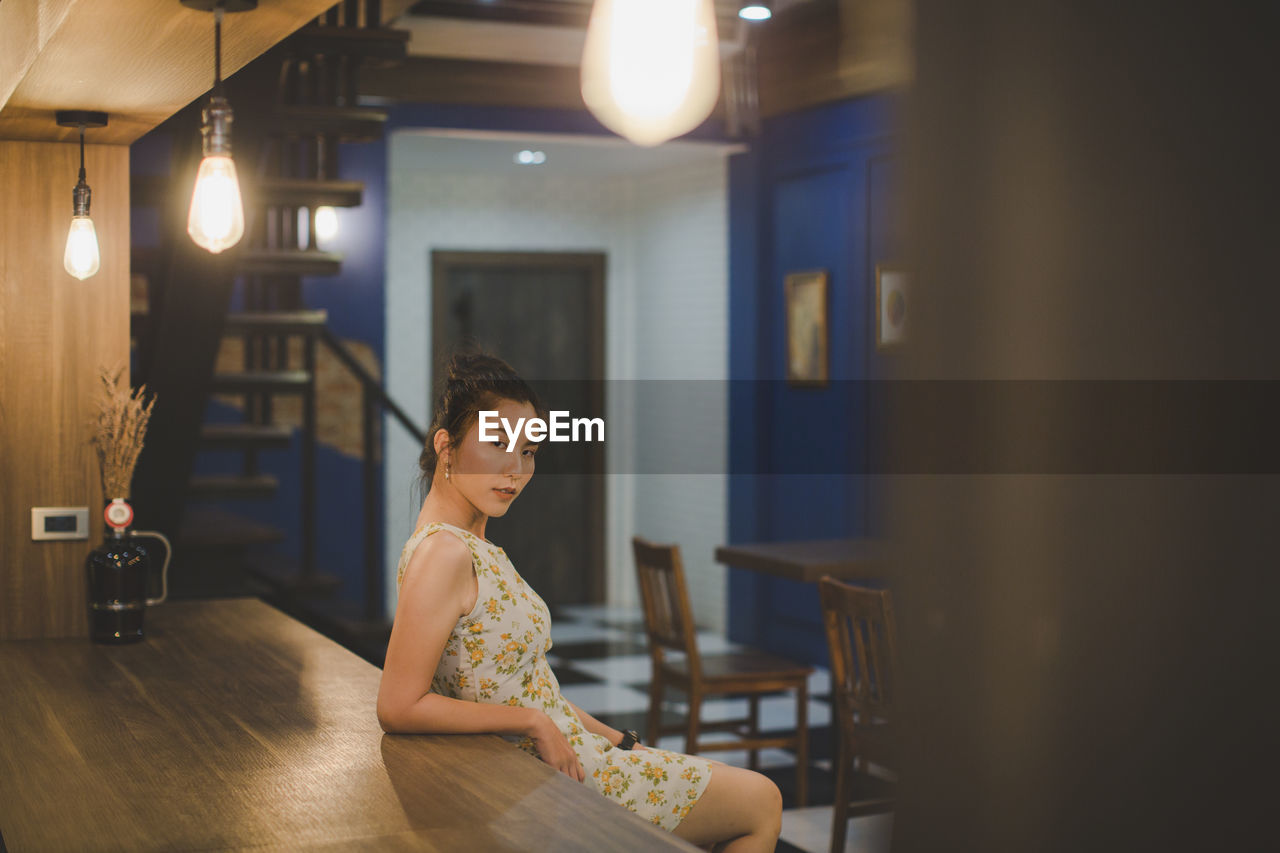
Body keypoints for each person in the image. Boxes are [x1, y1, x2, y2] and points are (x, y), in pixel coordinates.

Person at [377, 351, 783, 852]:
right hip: (541, 778)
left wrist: (620, 740)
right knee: (761, 800)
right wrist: (534, 724)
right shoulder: (444, 552)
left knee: (729, 784)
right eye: (498, 444)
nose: (515, 469)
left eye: (528, 451)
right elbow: (398, 705)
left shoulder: (465, 544)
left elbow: (529, 687)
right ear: (447, 447)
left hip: (567, 752)